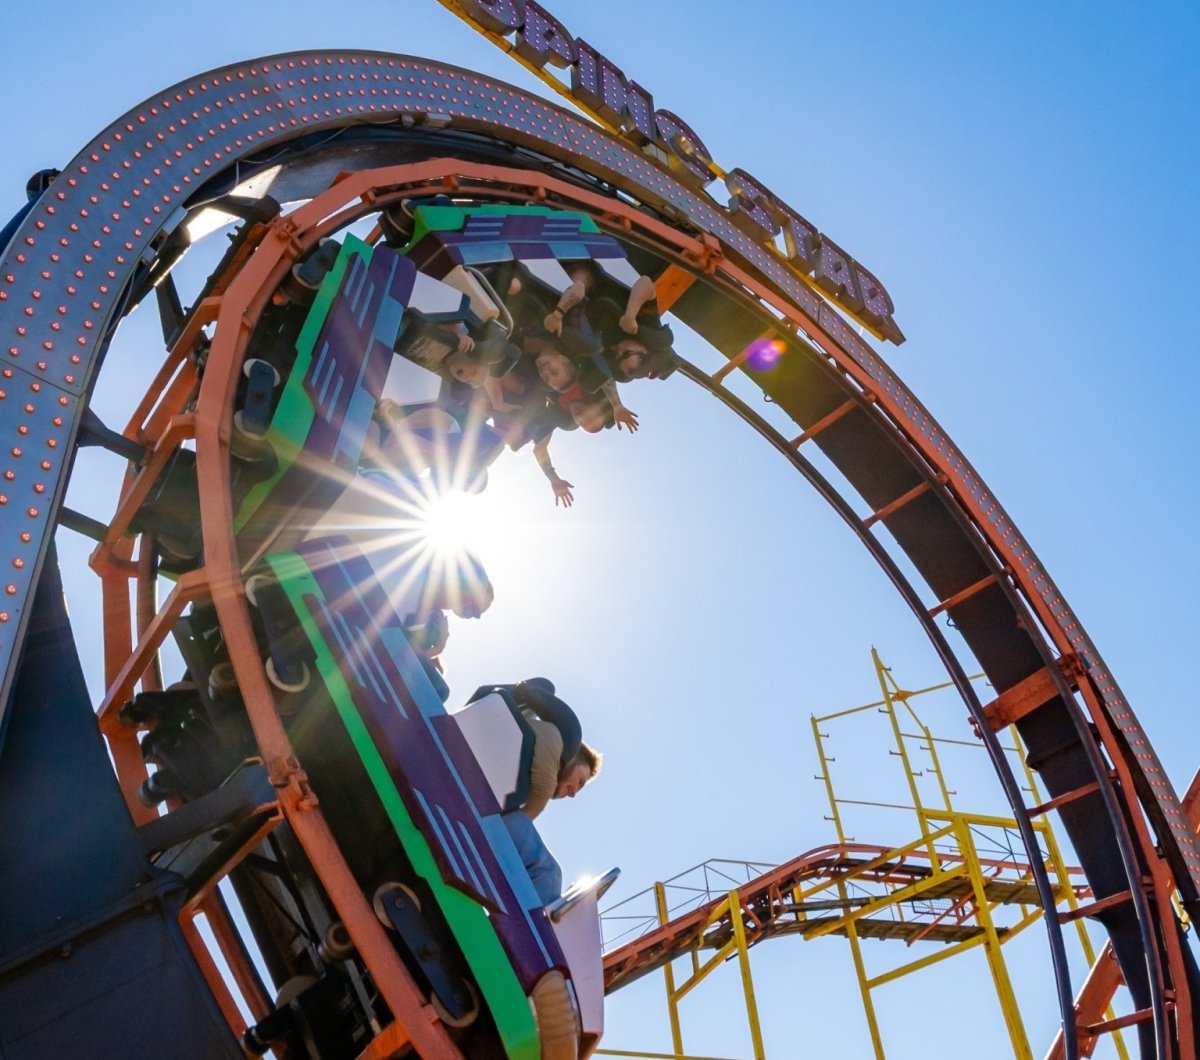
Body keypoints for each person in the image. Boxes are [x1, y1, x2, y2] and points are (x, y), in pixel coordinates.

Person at [499, 678, 602, 905]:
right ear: (571, 757)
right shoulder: (548, 735)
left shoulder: (529, 761)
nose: (574, 793)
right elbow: (546, 773)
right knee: (548, 872)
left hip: (492, 803)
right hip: (489, 809)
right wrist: (530, 813)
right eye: (580, 782)